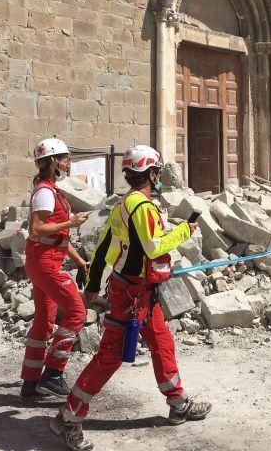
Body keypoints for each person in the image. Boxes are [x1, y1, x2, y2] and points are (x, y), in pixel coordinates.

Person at [50, 145, 212, 451]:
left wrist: (95, 283)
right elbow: (153, 247)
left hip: (138, 294)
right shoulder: (143, 208)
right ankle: (67, 417)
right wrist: (184, 232)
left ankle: (178, 404)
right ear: (152, 174)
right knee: (110, 356)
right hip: (133, 296)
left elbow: (104, 248)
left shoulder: (124, 206)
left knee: (162, 343)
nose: (159, 176)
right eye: (158, 172)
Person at [20, 138, 89, 402]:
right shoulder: (46, 192)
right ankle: (53, 375)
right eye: (64, 158)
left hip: (44, 261)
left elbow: (56, 237)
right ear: (51, 162)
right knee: (76, 313)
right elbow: (37, 229)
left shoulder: (50, 190)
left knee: (45, 320)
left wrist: (79, 261)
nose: (68, 163)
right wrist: (70, 222)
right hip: (45, 263)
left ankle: (30, 382)